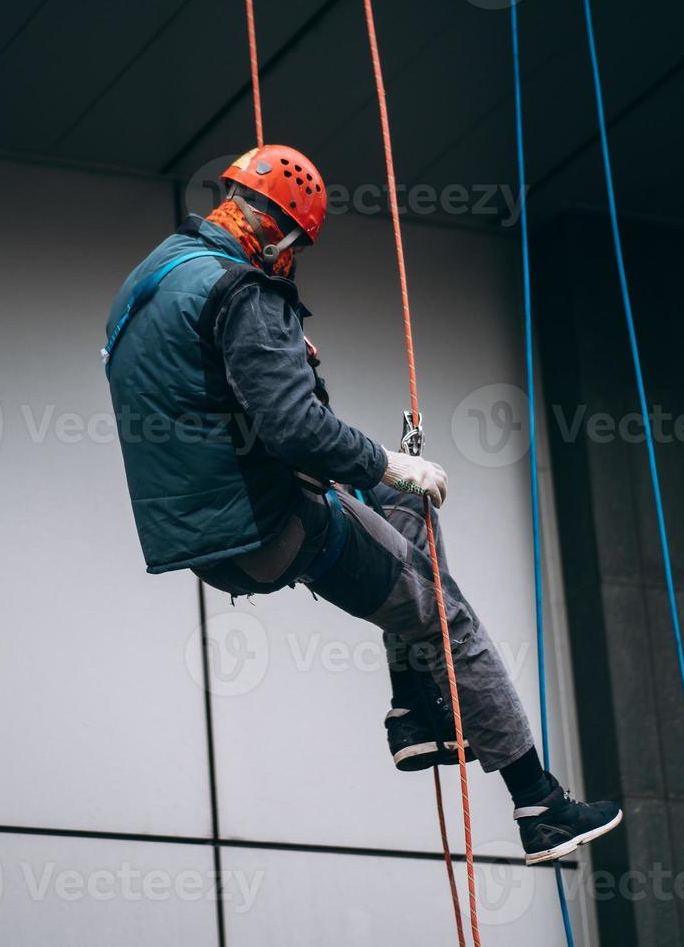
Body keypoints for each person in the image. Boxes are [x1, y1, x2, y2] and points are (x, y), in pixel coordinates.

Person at [103, 144, 621, 864]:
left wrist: (377, 472)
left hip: (205, 527)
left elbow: (214, 401)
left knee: (405, 513)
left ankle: (414, 710)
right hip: (269, 525)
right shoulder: (247, 293)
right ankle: (541, 806)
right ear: (283, 232)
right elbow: (295, 427)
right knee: (446, 611)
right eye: (296, 246)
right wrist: (388, 460)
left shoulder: (155, 277)